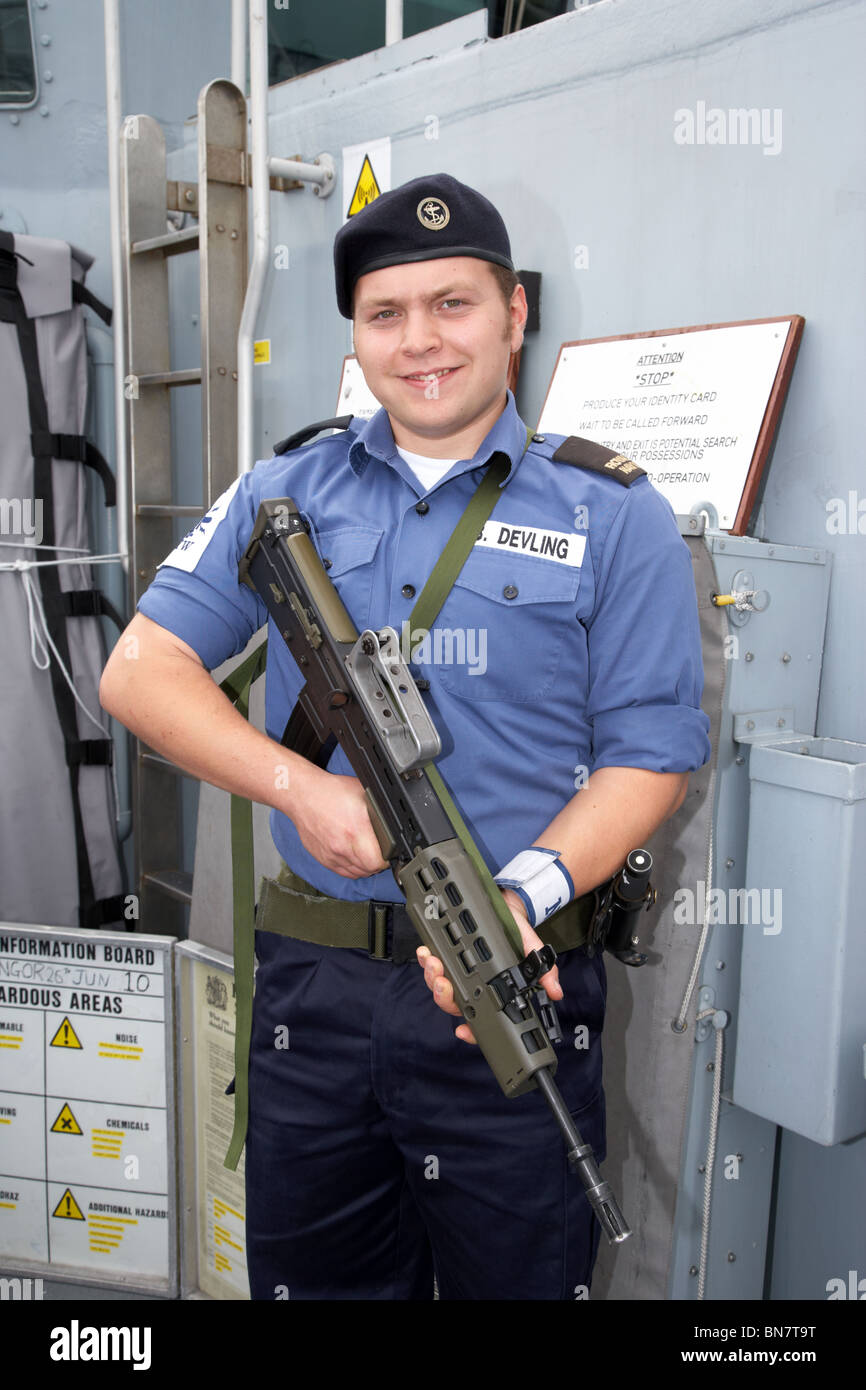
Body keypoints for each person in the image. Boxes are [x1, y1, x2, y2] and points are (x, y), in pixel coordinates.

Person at [99, 172, 711, 1300]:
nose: (420, 341)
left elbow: (651, 753)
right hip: (316, 996)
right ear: (357, 335)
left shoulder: (610, 513)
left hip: (511, 984)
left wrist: (522, 894)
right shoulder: (287, 486)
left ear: (513, 313)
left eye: (452, 304)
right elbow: (138, 673)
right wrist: (296, 788)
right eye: (386, 314)